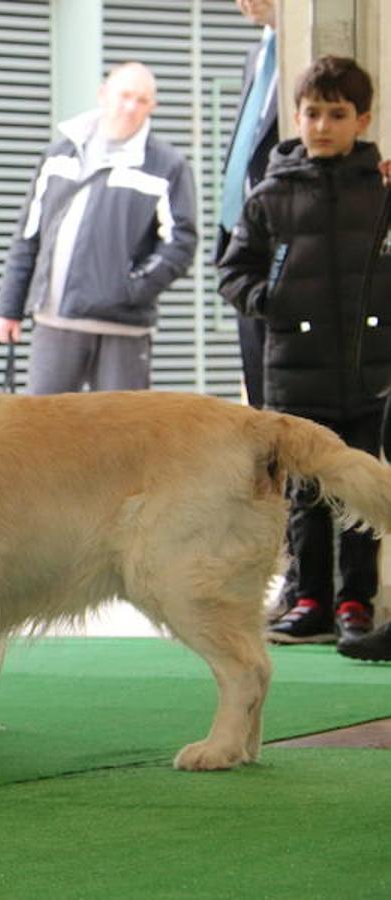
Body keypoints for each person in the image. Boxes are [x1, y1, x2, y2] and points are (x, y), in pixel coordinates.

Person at [218, 56, 389, 647]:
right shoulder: (271, 195)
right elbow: (232, 272)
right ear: (296, 116)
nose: (322, 125)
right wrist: (274, 299)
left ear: (362, 119)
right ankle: (308, 595)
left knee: (361, 487)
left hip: (369, 376)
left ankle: (355, 603)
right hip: (294, 377)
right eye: (312, 113)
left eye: (337, 114)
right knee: (303, 495)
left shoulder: (382, 194)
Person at [0, 62, 197, 395]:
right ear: (103, 94)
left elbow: (181, 243)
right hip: (54, 323)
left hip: (124, 329)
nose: (131, 107)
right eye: (124, 95)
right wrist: (7, 308)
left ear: (152, 107)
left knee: (122, 437)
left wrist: (132, 288)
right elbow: (28, 236)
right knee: (42, 434)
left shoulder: (168, 166)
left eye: (142, 100)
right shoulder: (58, 155)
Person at [219, 0, 279, 411]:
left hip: (285, 243)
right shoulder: (257, 55)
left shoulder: (301, 48)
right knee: (257, 394)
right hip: (244, 245)